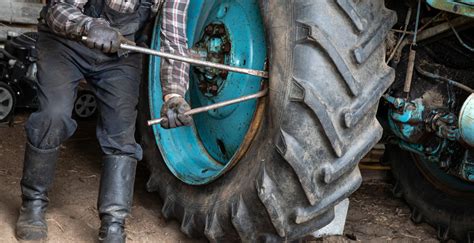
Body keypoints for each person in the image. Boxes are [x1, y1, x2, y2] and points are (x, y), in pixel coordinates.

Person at [15, 0, 193, 242]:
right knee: (53, 116)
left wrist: (174, 94)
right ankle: (32, 204)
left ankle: (113, 223)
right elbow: (58, 10)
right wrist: (88, 25)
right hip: (66, 44)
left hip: (121, 54)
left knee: (121, 135)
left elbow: (173, 40)